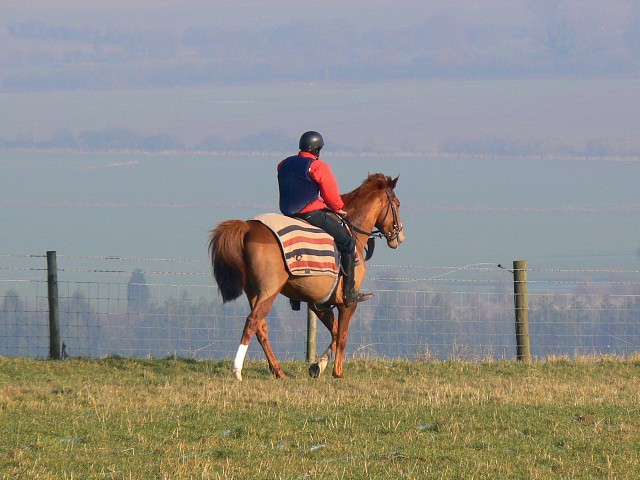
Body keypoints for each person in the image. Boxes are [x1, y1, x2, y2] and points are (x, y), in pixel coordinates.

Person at [277, 131, 373, 307]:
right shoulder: (318, 167)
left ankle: (294, 296)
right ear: (317, 149)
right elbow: (330, 194)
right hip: (309, 213)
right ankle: (349, 293)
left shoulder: (283, 164)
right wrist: (337, 208)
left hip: (288, 215)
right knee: (347, 242)